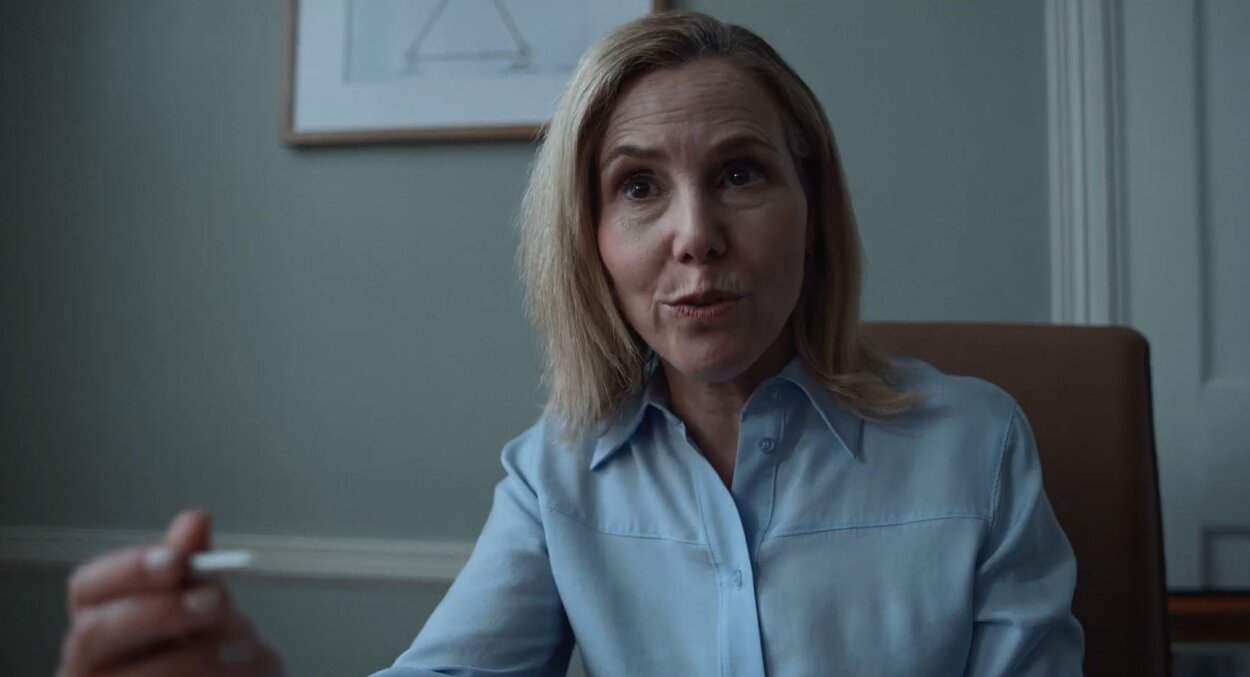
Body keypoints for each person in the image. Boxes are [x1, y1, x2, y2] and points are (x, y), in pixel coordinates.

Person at [57, 11, 1084, 677]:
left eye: (740, 173)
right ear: (589, 239)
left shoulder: (977, 444)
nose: (694, 234)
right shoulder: (555, 476)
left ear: (811, 213)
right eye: (638, 186)